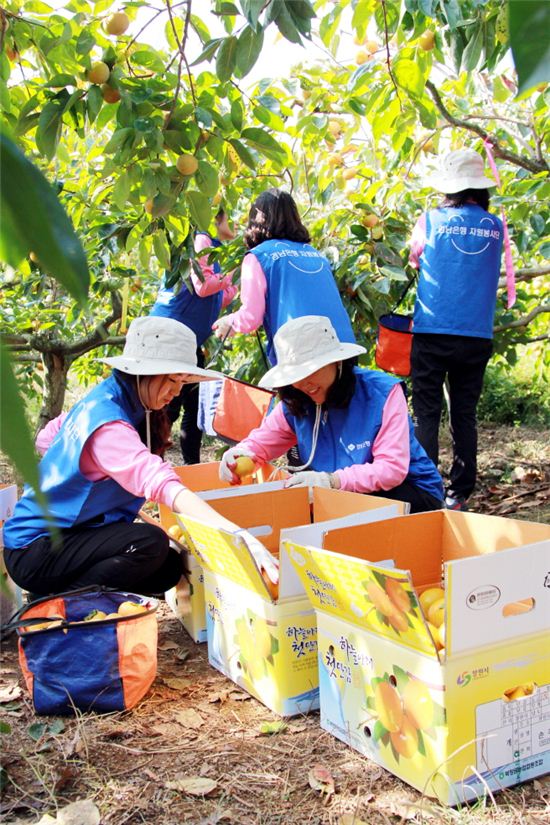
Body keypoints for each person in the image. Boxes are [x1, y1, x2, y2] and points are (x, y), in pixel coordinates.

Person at [2, 317, 278, 599]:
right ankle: (56, 598)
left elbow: (46, 438)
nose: (177, 392)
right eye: (172, 380)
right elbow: (159, 484)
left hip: (70, 535)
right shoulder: (109, 424)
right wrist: (239, 537)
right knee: (151, 543)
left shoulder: (109, 399)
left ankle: (76, 589)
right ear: (142, 373)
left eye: (183, 382)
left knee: (169, 569)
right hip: (35, 549)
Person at [219, 316, 444, 514]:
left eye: (311, 370)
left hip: (411, 492)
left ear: (337, 361)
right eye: (295, 375)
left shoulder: (381, 393)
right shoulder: (296, 398)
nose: (303, 383)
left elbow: (391, 470)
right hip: (345, 495)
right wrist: (241, 453)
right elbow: (263, 441)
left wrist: (332, 481)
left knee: (343, 519)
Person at [409, 148, 504, 511]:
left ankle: (426, 486)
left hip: (433, 329)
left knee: (427, 411)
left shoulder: (430, 220)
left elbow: (415, 258)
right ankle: (459, 492)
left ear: (450, 186)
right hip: (477, 334)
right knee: (464, 412)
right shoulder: (495, 225)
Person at [212, 189, 356, 365]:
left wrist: (230, 321)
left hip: (303, 357)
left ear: (255, 220)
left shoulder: (258, 256)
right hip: (345, 351)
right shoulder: (316, 255)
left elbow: (251, 317)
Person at [150, 210, 237, 464]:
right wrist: (238, 270)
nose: (237, 221)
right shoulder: (203, 240)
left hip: (187, 342)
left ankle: (191, 467)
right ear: (217, 218)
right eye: (232, 215)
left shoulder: (215, 247)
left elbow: (216, 298)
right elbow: (203, 286)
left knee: (192, 405)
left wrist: (241, 282)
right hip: (168, 339)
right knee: (167, 407)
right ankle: (149, 469)